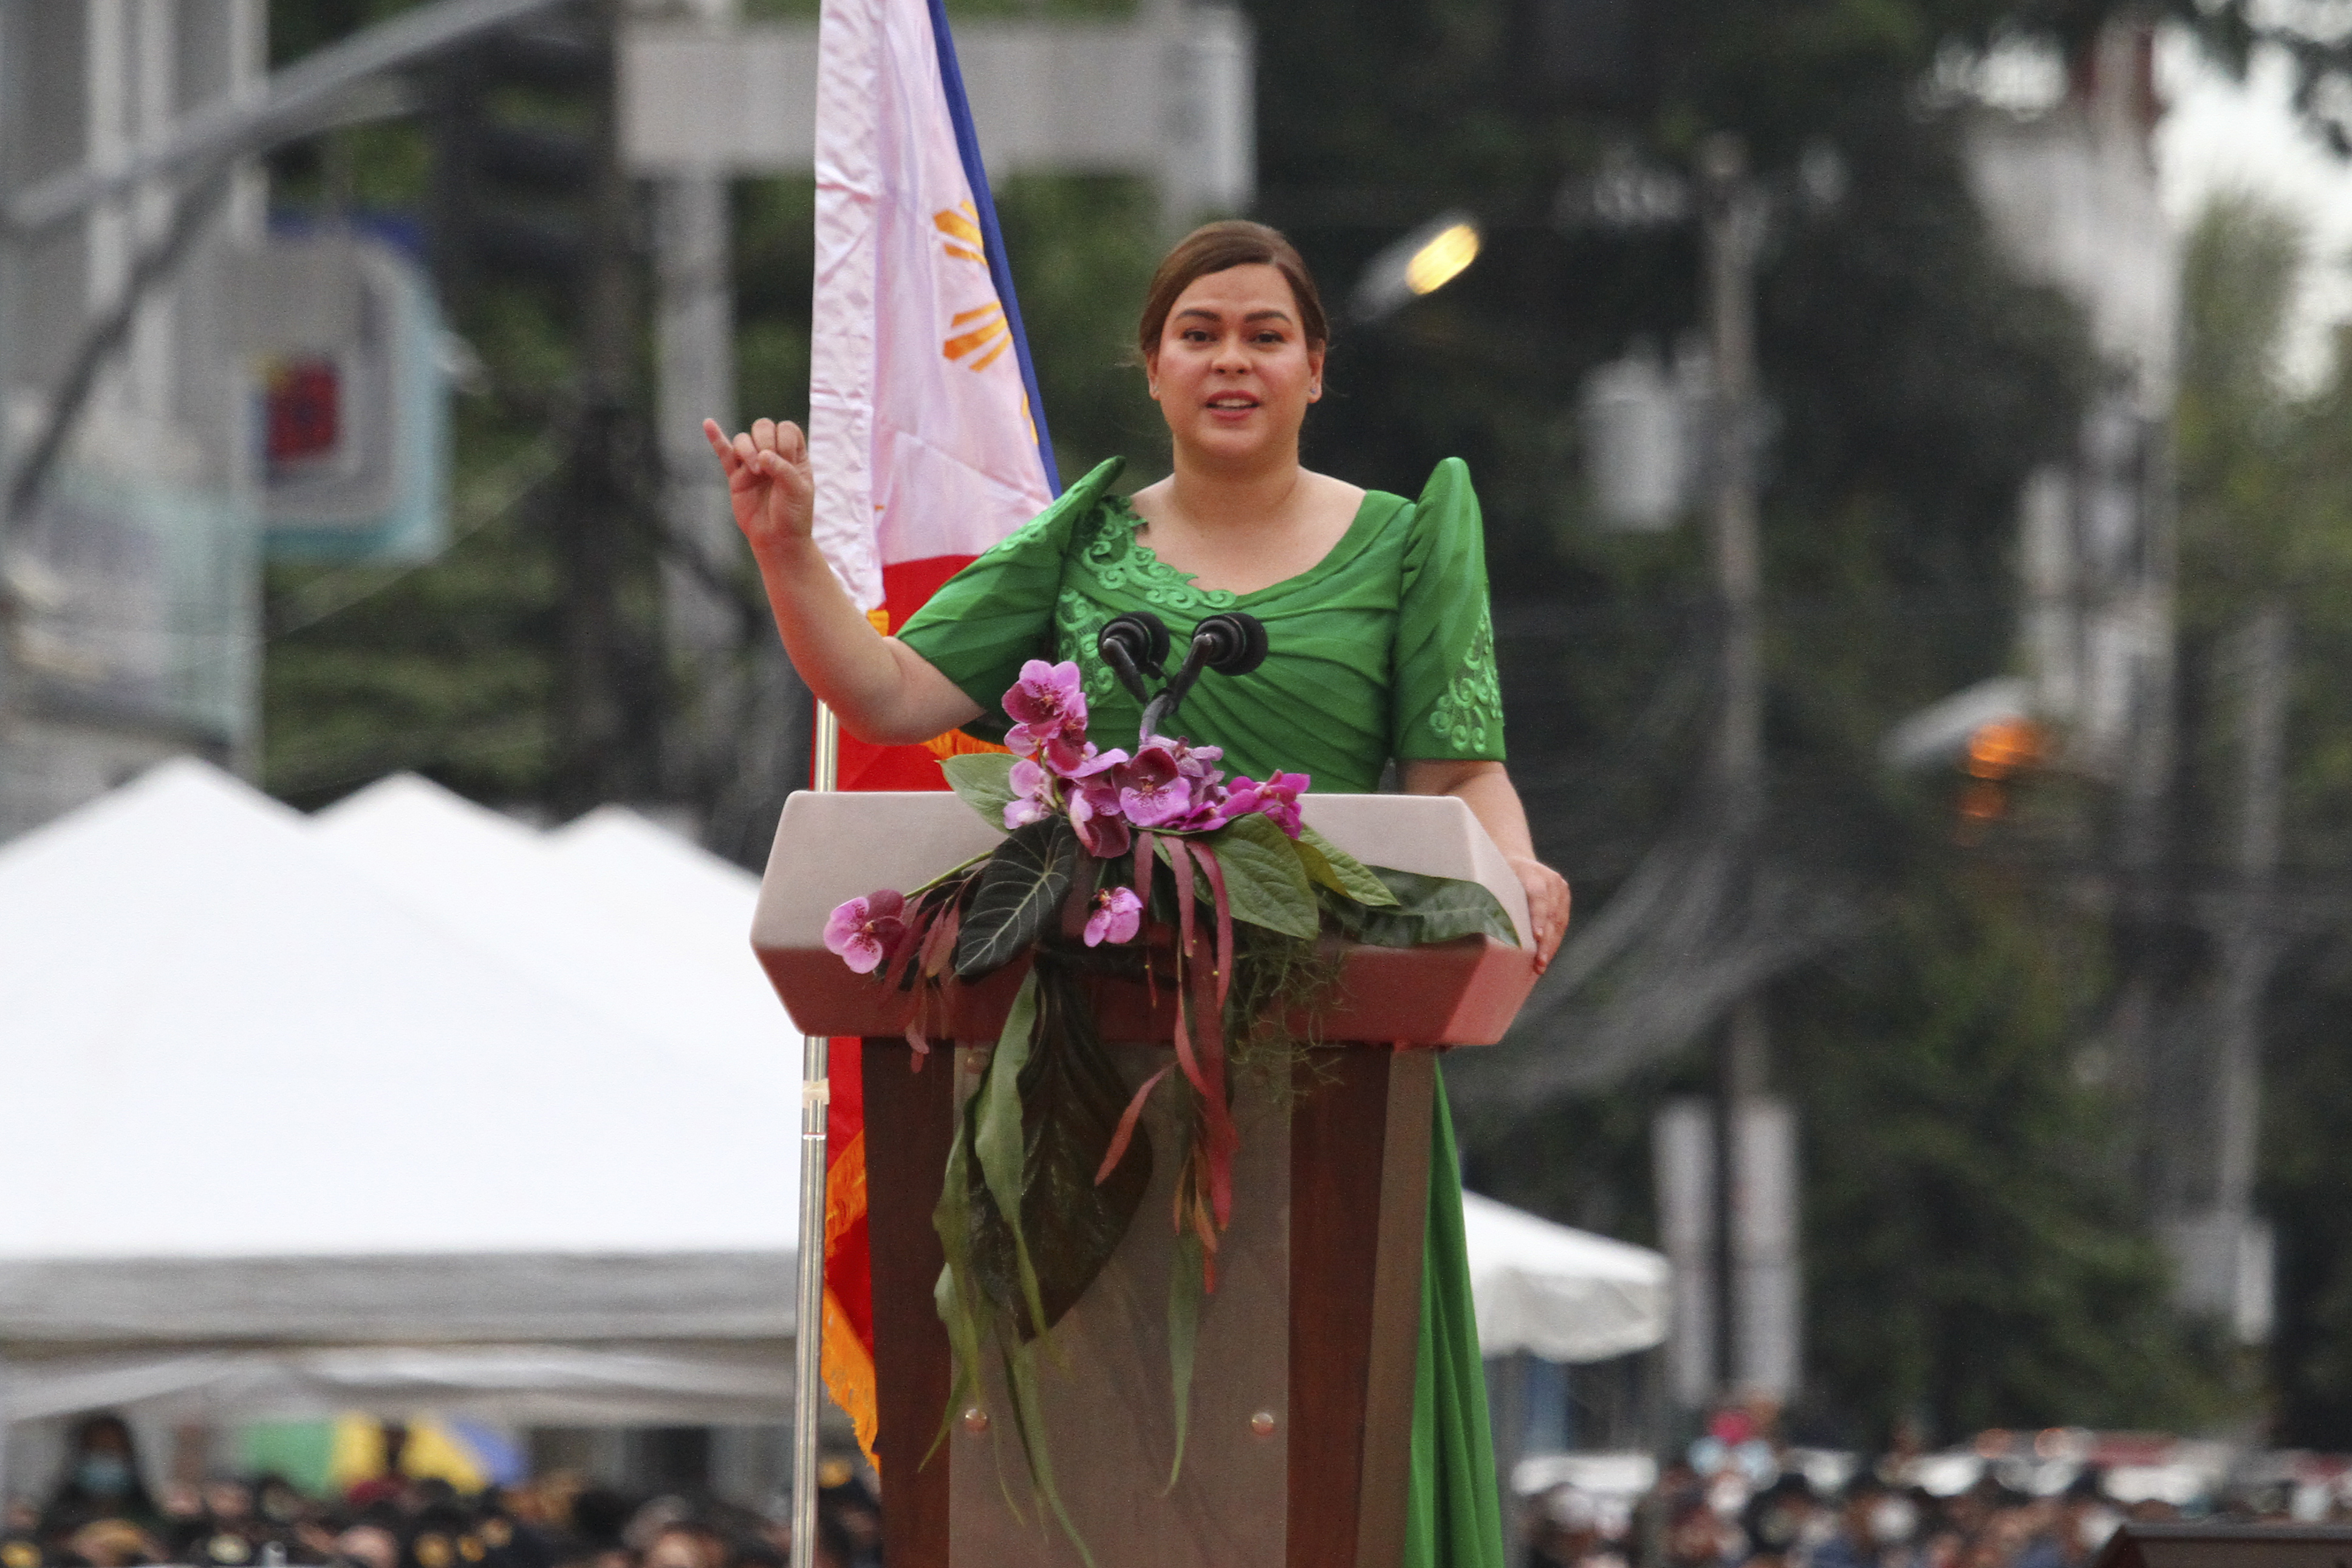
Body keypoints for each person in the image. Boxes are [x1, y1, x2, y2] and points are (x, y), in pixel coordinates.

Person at [706, 218, 1572, 1568]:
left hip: (1325, 1073)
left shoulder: (1408, 540)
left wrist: (1511, 868)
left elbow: (1462, 779)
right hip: (1078, 1067)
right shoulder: (1082, 541)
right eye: (1201, 334)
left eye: (1264, 335)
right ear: (1153, 369)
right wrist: (785, 553)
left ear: (1315, 369)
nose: (1233, 360)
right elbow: (882, 692)